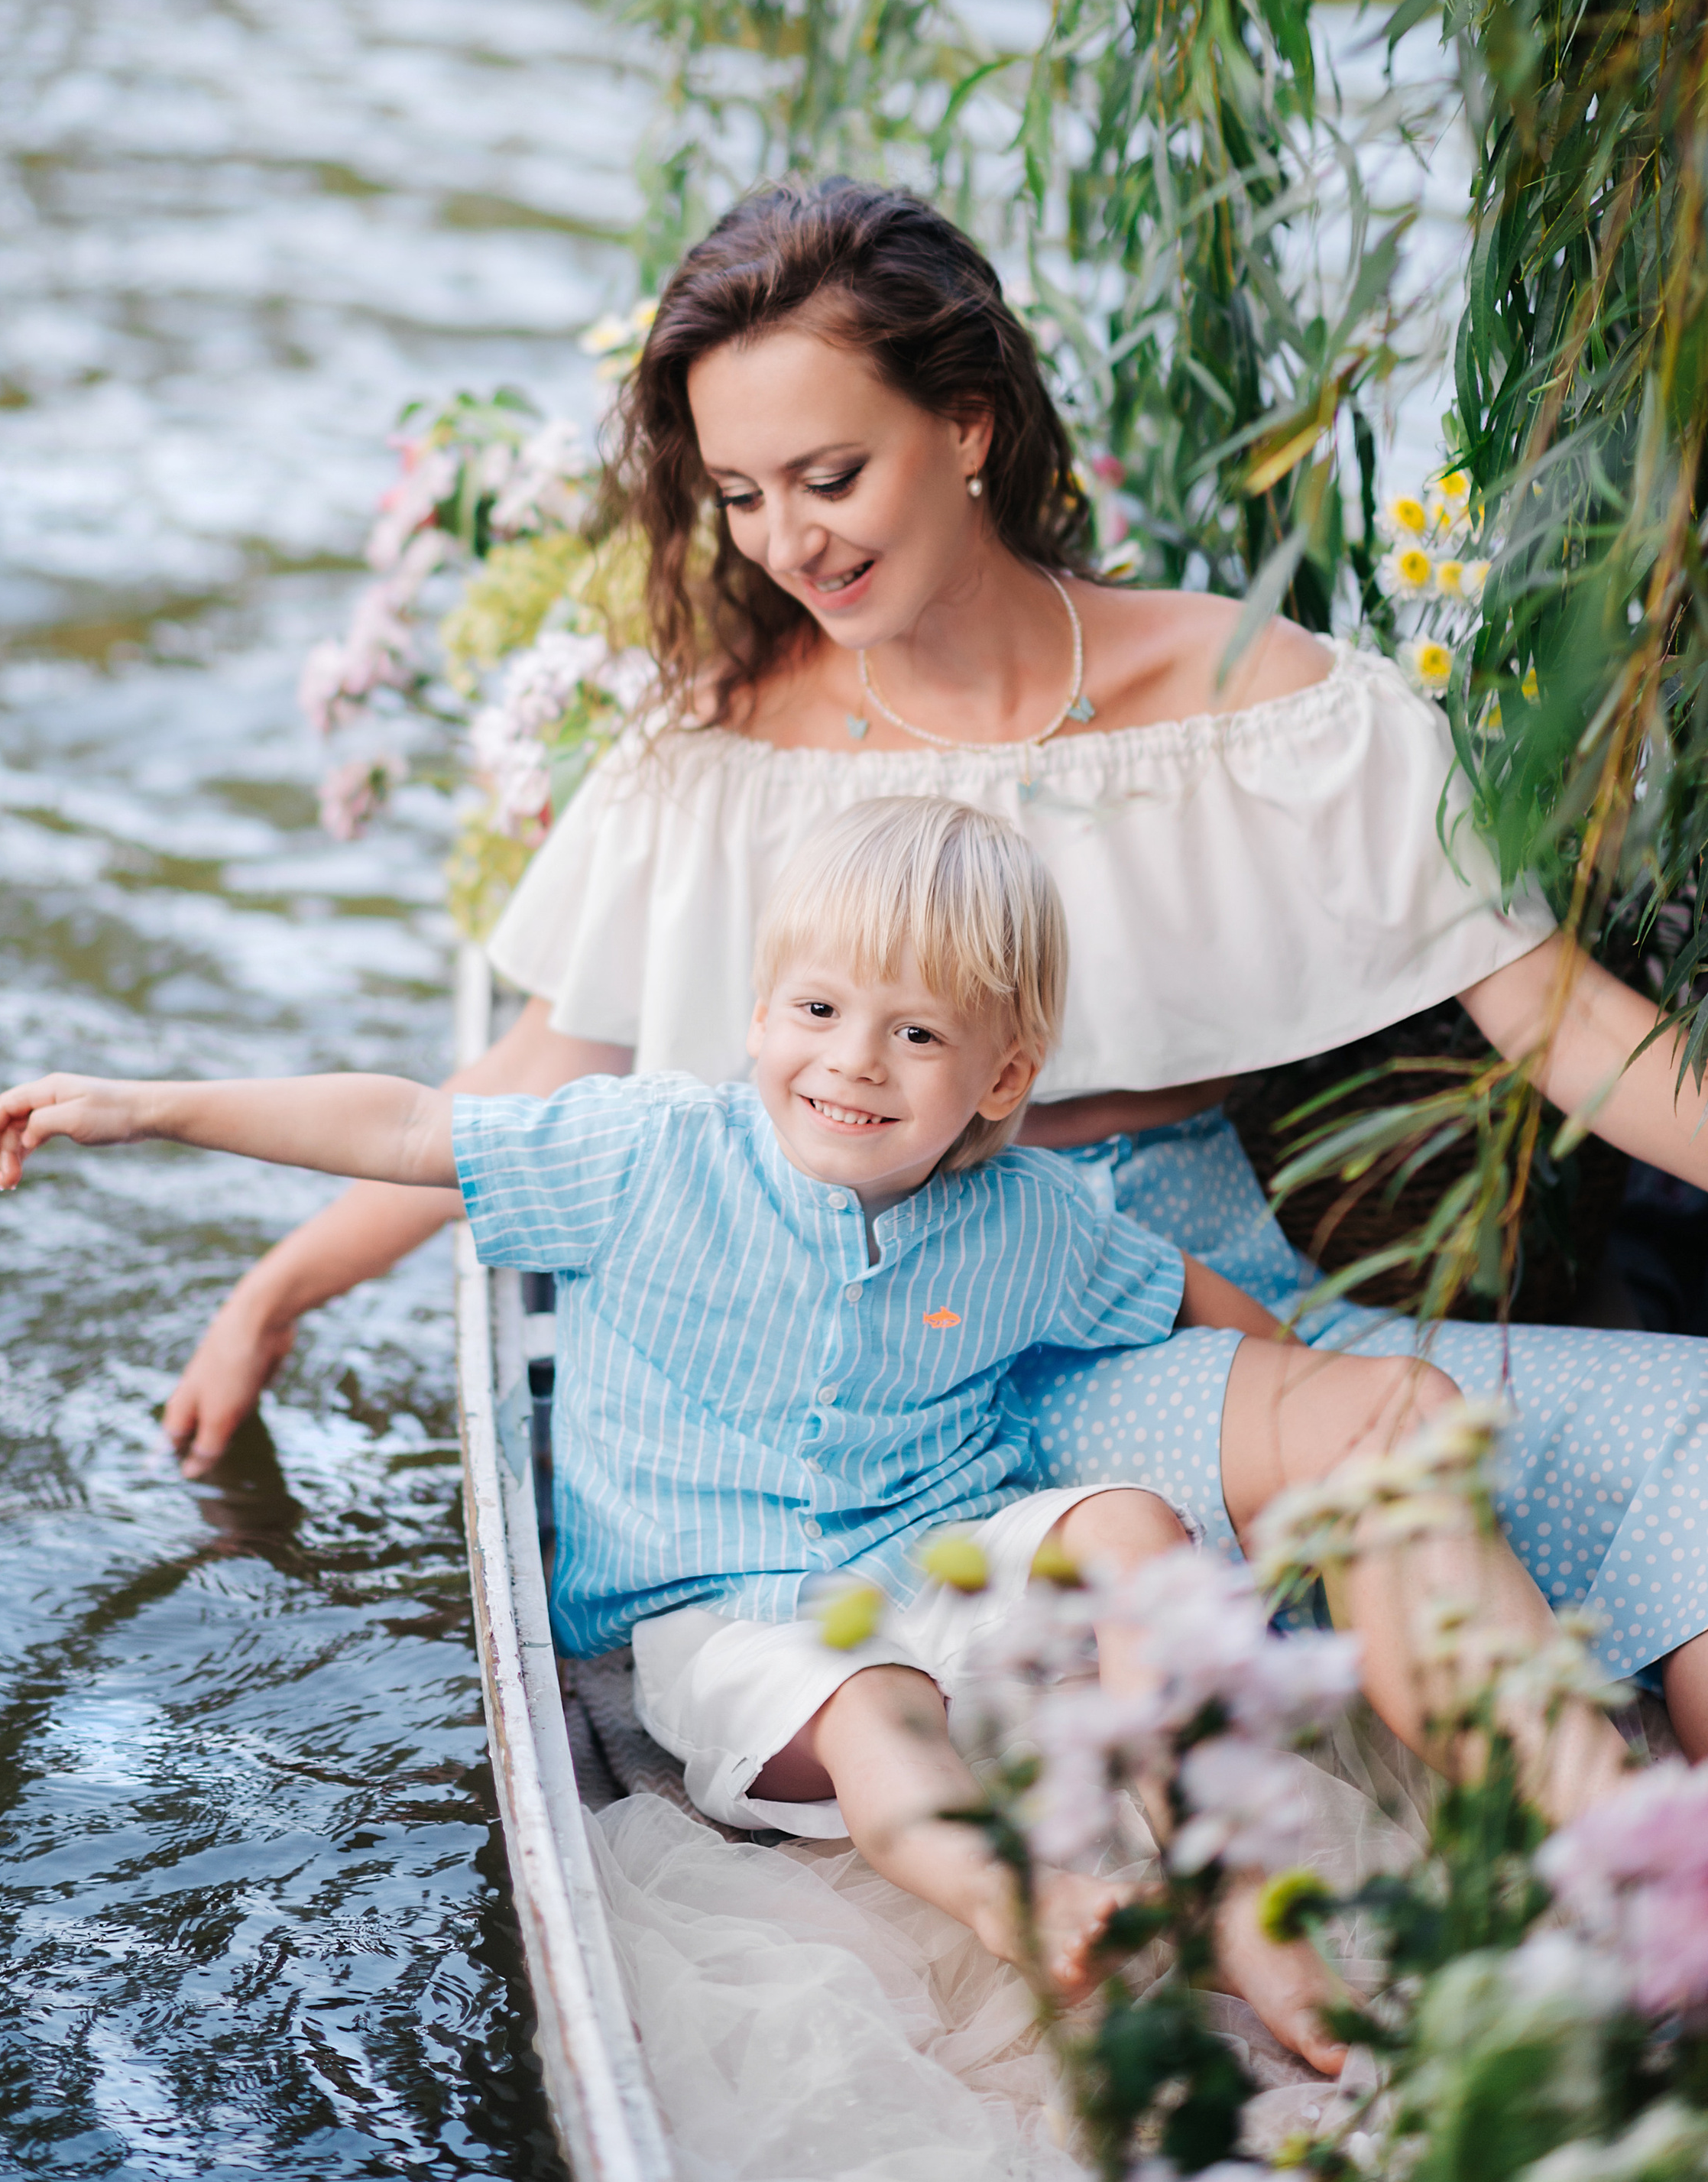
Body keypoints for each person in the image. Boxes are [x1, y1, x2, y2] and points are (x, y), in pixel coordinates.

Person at [163, 177, 1708, 1749]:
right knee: (1378, 1447)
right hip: (930, 1378)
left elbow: (1563, 1023)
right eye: (742, 494)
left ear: (967, 425)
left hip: (1223, 1302)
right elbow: (530, 1081)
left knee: (1689, 1448)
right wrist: (272, 1294)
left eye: (828, 474)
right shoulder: (713, 759)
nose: (785, 542)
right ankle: (1540, 1896)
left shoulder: (1260, 701)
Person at [0, 797, 1626, 2073]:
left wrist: (1301, 1419)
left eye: (914, 1033)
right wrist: (148, 1103)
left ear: (999, 1075)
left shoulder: (1028, 1210)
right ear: (757, 1011)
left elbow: (1180, 1288)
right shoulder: (647, 1154)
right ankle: (1032, 1901)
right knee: (879, 1717)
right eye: (817, 1008)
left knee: (1128, 1524)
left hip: (937, 1545)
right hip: (730, 1610)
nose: (852, 1061)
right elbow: (407, 1122)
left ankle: (1223, 1866)